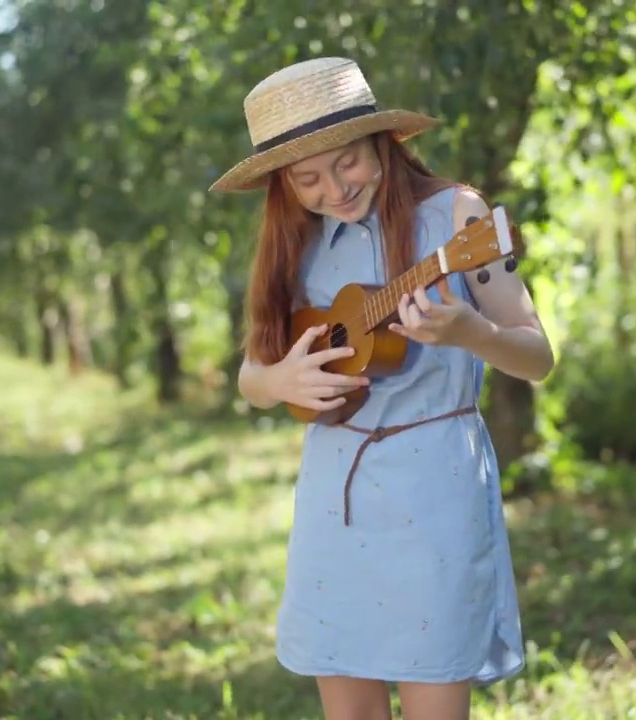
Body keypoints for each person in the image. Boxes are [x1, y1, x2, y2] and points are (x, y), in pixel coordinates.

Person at [209, 56, 555, 720]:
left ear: (384, 143)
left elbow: (536, 357)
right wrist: (280, 378)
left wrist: (472, 334)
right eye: (307, 178)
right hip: (332, 497)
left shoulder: (456, 216)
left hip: (435, 492)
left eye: (348, 163)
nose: (334, 189)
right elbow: (253, 377)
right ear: (282, 184)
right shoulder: (296, 242)